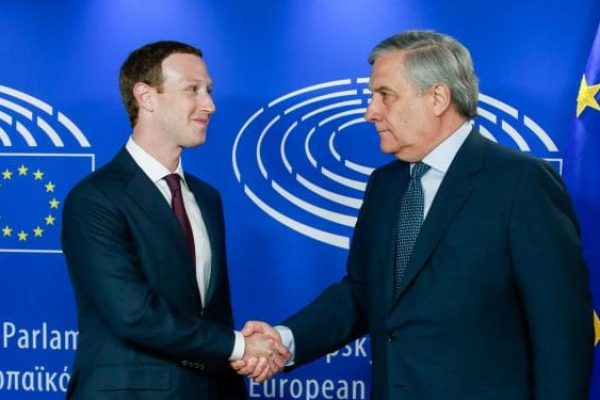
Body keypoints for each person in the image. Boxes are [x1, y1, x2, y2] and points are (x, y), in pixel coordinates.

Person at [233, 30, 595, 399]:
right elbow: (361, 294)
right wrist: (284, 339)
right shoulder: (385, 185)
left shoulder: (521, 182)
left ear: (437, 97)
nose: (370, 111)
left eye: (384, 96)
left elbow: (561, 330)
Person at [61, 40, 288, 399]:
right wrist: (241, 346)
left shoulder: (207, 198)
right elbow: (133, 314)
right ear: (146, 96)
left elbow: (209, 312)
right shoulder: (95, 198)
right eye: (192, 90)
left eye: (209, 91)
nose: (210, 105)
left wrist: (240, 355)